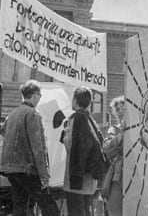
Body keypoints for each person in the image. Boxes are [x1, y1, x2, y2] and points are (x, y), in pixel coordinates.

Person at [0, 80, 59, 216]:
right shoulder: (32, 114)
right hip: (27, 170)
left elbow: (3, 131)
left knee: (20, 209)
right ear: (35, 95)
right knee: (51, 209)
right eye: (40, 95)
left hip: (10, 169)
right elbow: (38, 147)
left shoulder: (12, 114)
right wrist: (44, 176)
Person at [62, 86, 106, 216]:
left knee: (76, 211)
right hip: (89, 178)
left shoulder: (75, 118)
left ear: (75, 100)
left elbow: (72, 146)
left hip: (77, 179)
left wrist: (65, 137)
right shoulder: (91, 120)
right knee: (87, 210)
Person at [102, 95, 125, 216]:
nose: (120, 111)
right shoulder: (114, 130)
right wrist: (121, 133)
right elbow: (107, 148)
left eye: (123, 108)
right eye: (117, 109)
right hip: (117, 177)